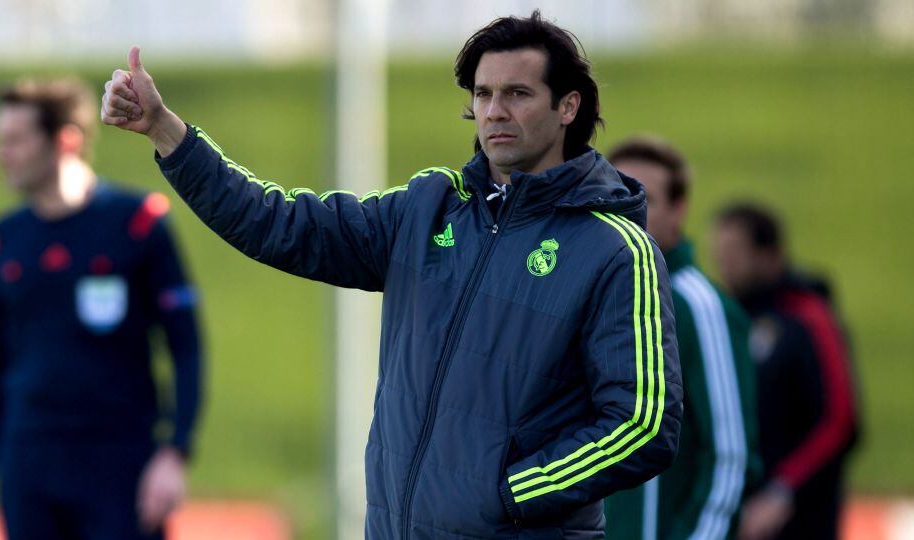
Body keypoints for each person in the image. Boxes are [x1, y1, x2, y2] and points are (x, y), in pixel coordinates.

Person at [102, 11, 682, 539]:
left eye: (518, 93)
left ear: (568, 107)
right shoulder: (427, 210)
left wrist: (510, 493)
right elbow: (278, 224)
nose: (495, 111)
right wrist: (166, 134)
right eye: (483, 94)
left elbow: (643, 423)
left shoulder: (615, 248)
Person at [0, 78, 202, 540]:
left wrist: (175, 452)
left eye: (16, 140)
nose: (1, 153)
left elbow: (186, 347)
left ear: (66, 140)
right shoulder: (1, 240)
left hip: (119, 464)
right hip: (29, 465)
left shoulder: (139, 222)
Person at [602, 137, 761, 540]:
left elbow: (729, 458)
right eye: (613, 192)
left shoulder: (698, 307)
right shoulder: (588, 297)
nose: (625, 207)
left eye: (645, 198)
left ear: (678, 212)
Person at [712, 203, 858, 540]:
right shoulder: (728, 316)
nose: (724, 263)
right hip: (742, 512)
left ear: (769, 256)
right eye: (719, 251)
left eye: (735, 252)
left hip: (800, 515)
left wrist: (783, 489)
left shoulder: (809, 316)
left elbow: (839, 420)